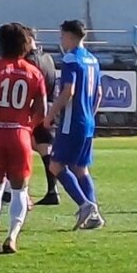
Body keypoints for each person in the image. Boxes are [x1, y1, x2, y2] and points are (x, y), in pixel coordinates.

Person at [0, 22, 48, 254]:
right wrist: (27, 126)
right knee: (20, 189)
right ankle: (12, 237)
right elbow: (42, 111)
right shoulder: (34, 72)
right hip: (19, 133)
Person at [44, 19, 104, 230]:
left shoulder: (71, 59)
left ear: (70, 36)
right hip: (88, 122)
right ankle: (94, 213)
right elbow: (98, 93)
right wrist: (90, 115)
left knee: (55, 165)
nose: (61, 40)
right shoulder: (93, 60)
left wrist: (50, 114)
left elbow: (68, 91)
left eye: (62, 36)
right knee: (80, 168)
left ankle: (84, 204)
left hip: (72, 121)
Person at [26, 31, 61, 205]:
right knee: (44, 148)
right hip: (48, 106)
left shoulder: (29, 61)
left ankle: (13, 189)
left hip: (35, 108)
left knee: (37, 148)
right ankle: (52, 190)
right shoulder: (48, 58)